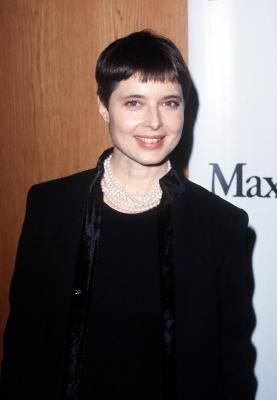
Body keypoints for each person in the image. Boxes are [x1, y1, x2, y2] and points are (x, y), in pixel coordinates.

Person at [0, 30, 257, 400]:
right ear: (104, 105)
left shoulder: (222, 224)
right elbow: (24, 344)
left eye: (170, 103)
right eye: (134, 102)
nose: (154, 122)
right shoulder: (49, 206)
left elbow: (233, 365)